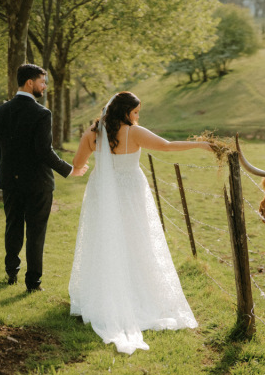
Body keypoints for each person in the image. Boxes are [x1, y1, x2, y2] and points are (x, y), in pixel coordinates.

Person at [68, 91, 212, 354]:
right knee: (136, 240)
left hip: (101, 193)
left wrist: (85, 167)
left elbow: (78, 165)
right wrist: (200, 145)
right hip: (131, 193)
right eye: (135, 112)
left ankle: (103, 296)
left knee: (104, 239)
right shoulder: (134, 132)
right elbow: (166, 146)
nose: (137, 116)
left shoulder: (91, 134)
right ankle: (138, 295)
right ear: (124, 112)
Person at [0, 64, 89, 292]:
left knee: (12, 226)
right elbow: (45, 151)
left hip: (10, 180)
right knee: (36, 232)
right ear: (29, 83)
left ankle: (11, 272)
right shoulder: (42, 113)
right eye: (42, 82)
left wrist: (11, 169)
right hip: (38, 183)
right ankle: (33, 283)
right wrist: (69, 170)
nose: (45, 87)